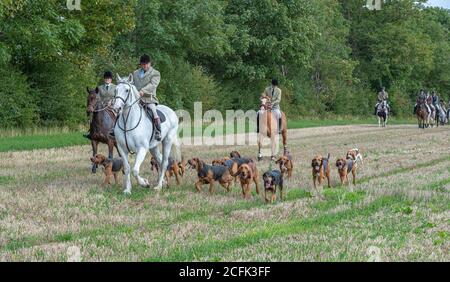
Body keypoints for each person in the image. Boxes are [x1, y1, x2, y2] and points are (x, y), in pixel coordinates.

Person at [133, 54, 162, 141]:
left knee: (153, 111)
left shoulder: (155, 73)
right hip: (136, 99)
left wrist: (142, 91)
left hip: (149, 99)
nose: (145, 66)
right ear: (141, 64)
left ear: (149, 63)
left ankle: (158, 131)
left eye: (146, 64)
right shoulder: (135, 73)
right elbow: (132, 83)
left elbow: (153, 85)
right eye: (143, 64)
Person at [84, 71, 116, 140]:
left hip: (112, 106)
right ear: (104, 79)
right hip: (102, 106)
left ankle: (116, 130)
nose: (107, 79)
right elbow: (97, 98)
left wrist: (112, 102)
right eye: (106, 78)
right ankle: (91, 131)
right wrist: (101, 104)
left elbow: (117, 97)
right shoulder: (99, 88)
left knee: (118, 114)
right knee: (94, 115)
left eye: (108, 78)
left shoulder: (115, 87)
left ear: (111, 79)